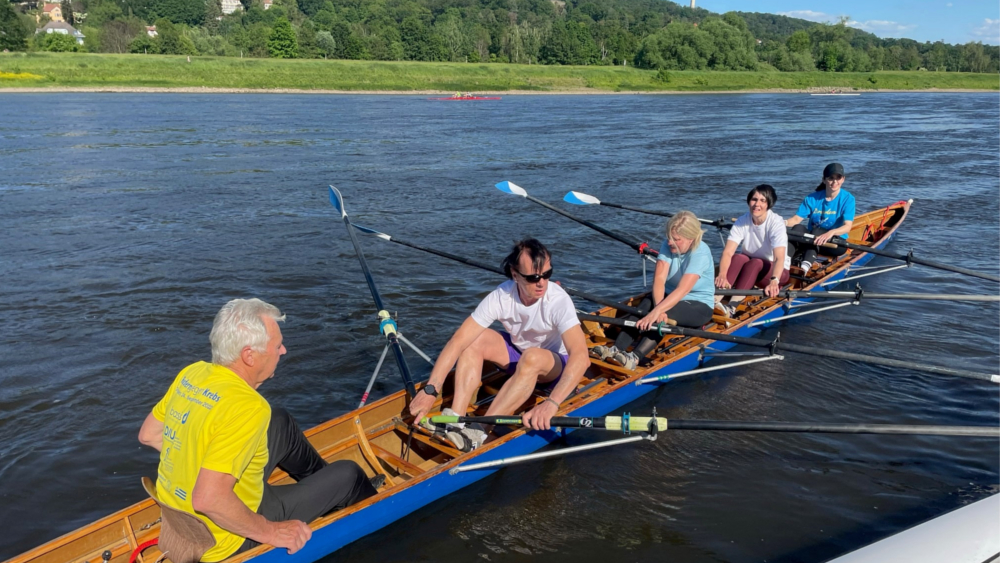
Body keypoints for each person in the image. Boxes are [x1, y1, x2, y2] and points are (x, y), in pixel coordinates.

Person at [138, 298, 376, 562]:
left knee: (279, 421)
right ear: (249, 355)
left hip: (181, 525)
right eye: (276, 346)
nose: (283, 350)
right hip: (228, 538)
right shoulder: (248, 407)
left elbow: (148, 434)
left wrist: (197, 460)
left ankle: (328, 495)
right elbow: (207, 499)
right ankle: (375, 518)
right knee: (350, 475)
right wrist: (270, 532)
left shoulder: (193, 374)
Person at [408, 239, 590, 452]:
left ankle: (479, 431)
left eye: (547, 274)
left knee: (532, 356)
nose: (542, 283)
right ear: (515, 275)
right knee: (474, 339)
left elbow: (581, 357)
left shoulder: (558, 301)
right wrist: (431, 389)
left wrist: (552, 403)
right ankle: (455, 419)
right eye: (533, 277)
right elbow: (458, 340)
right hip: (520, 356)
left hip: (554, 367)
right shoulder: (501, 296)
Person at [593, 211, 716, 370]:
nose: (670, 242)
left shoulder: (700, 253)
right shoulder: (668, 244)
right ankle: (616, 349)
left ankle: (634, 358)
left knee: (663, 317)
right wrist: (658, 307)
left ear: (691, 239)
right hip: (668, 296)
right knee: (644, 306)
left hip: (698, 305)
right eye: (669, 237)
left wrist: (658, 312)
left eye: (676, 240)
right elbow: (659, 280)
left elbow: (682, 289)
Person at [715, 185, 790, 315]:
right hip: (751, 266)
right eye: (754, 199)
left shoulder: (776, 223)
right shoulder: (742, 220)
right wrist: (722, 274)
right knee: (738, 257)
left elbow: (779, 258)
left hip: (777, 272)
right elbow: (727, 252)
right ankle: (714, 300)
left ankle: (732, 307)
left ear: (769, 204)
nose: (757, 204)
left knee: (755, 262)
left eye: (762, 200)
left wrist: (774, 281)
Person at [785, 163, 856, 275]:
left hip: (835, 243)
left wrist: (831, 232)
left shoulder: (848, 199)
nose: (834, 182)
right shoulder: (812, 198)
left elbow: (848, 227)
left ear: (843, 179)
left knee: (816, 231)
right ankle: (784, 262)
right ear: (824, 180)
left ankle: (804, 267)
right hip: (813, 240)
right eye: (831, 178)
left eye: (838, 178)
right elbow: (796, 219)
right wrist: (782, 222)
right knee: (797, 228)